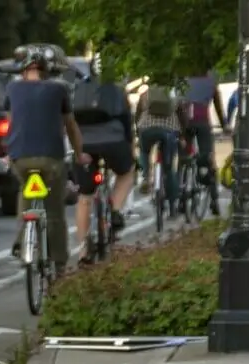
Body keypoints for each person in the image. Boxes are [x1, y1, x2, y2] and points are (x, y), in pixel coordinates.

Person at [4, 46, 90, 273]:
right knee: (54, 212)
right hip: (51, 158)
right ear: (47, 71)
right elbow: (70, 126)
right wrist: (80, 154)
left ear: (23, 72)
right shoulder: (59, 89)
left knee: (26, 191)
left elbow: (11, 122)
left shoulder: (12, 88)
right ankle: (59, 264)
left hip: (19, 158)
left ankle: (22, 244)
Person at [71, 77, 137, 265]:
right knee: (126, 173)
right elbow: (126, 122)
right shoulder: (117, 89)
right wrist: (130, 146)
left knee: (84, 196)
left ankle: (83, 250)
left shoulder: (78, 88)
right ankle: (115, 211)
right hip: (113, 141)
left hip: (83, 145)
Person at [135, 84, 190, 216]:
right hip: (168, 131)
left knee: (144, 151)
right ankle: (172, 208)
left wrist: (138, 132)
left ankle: (146, 176)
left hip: (146, 128)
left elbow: (137, 114)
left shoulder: (146, 94)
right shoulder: (174, 93)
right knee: (169, 168)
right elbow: (182, 116)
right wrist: (182, 136)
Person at [181, 72, 230, 216]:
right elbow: (218, 106)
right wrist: (224, 125)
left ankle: (181, 197)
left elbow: (178, 102)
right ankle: (214, 201)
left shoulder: (185, 78)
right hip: (202, 120)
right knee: (209, 158)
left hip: (185, 121)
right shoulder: (211, 81)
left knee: (184, 155)